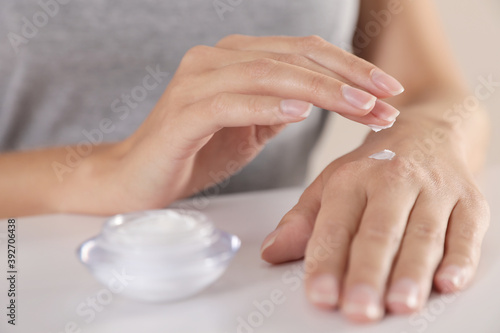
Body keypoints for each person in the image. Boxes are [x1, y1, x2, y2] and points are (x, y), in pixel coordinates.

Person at [0, 0, 490, 323]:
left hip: (278, 278)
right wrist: (100, 171)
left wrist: (425, 137)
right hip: (32, 286)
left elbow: (430, 89)